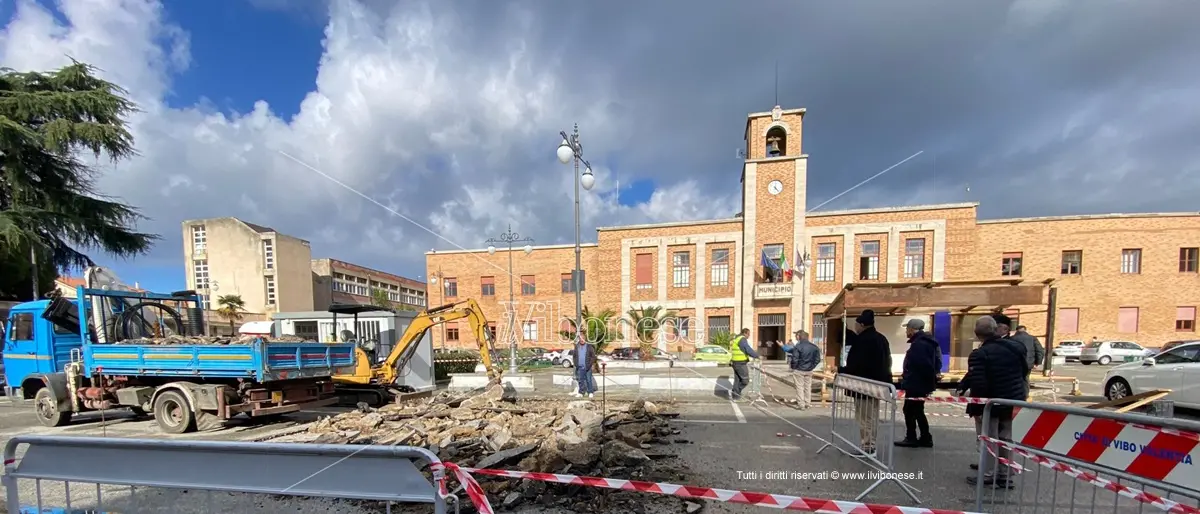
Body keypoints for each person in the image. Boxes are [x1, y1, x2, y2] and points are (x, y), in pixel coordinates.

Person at [958, 316, 1029, 488]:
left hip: (991, 402)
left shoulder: (980, 354)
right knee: (1006, 438)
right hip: (1012, 399)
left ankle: (988, 474)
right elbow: (1024, 371)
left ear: (977, 333)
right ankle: (1005, 474)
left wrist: (975, 408)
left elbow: (979, 384)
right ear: (995, 329)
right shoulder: (1016, 348)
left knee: (989, 439)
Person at [839, 310, 892, 456]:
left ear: (862, 324)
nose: (855, 327)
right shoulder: (881, 338)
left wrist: (842, 370)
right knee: (871, 416)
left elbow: (858, 364)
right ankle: (870, 445)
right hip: (877, 384)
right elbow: (888, 361)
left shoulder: (863, 341)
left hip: (864, 385)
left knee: (865, 418)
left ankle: (868, 447)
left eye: (856, 324)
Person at [895, 319, 941, 448]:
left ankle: (912, 437)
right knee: (917, 410)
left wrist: (909, 378)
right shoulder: (926, 342)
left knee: (910, 410)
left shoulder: (919, 344)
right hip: (921, 383)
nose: (906, 331)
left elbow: (921, 365)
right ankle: (925, 437)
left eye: (907, 328)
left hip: (916, 384)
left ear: (912, 329)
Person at [789, 329, 821, 409]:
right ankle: (807, 403)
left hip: (799, 369)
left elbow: (795, 359)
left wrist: (794, 367)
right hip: (809, 370)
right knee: (808, 387)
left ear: (799, 337)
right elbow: (818, 359)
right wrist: (812, 366)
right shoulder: (814, 347)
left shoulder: (798, 347)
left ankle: (801, 404)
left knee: (799, 387)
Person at [729, 328, 760, 400]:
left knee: (737, 380)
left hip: (735, 362)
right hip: (740, 363)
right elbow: (747, 349)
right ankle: (736, 392)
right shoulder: (742, 339)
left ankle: (735, 396)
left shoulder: (736, 339)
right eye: (748, 334)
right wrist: (757, 356)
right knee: (745, 380)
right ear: (745, 333)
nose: (749, 336)